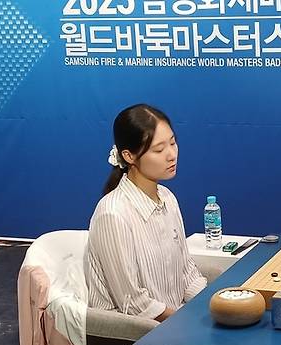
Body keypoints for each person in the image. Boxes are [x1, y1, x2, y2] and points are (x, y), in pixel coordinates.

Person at [85, 103, 206, 322]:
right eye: (159, 150)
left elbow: (187, 274)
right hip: (137, 332)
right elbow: (133, 303)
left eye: (173, 143)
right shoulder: (112, 214)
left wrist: (211, 305)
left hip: (175, 319)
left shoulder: (168, 198)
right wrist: (188, 322)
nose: (172, 155)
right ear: (129, 156)